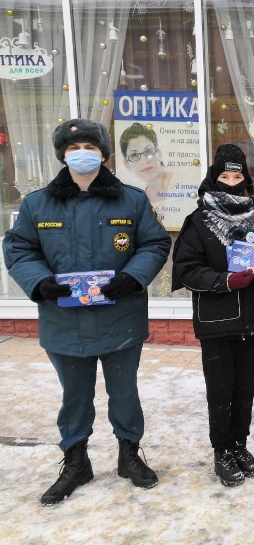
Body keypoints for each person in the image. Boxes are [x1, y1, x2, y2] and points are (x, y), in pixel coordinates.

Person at [3, 118, 171, 505]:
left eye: (90, 148)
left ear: (104, 154)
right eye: (74, 148)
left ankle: (129, 455)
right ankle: (76, 461)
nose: (82, 154)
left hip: (121, 319)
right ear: (62, 154)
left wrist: (133, 277)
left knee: (124, 393)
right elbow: (18, 249)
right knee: (75, 396)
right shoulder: (37, 203)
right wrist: (39, 281)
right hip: (65, 323)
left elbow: (155, 243)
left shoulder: (132, 200)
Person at [171, 144, 254, 487]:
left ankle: (240, 444)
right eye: (225, 176)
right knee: (220, 389)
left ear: (246, 179)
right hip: (216, 320)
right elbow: (187, 270)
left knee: (245, 389)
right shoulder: (198, 220)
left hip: (251, 318)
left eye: (237, 175)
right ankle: (222, 451)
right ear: (215, 178)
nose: (231, 182)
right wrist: (227, 281)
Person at [119, 123, 173, 203]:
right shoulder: (138, 196)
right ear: (126, 164)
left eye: (148, 151)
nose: (144, 161)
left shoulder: (179, 183)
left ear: (159, 153)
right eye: (134, 155)